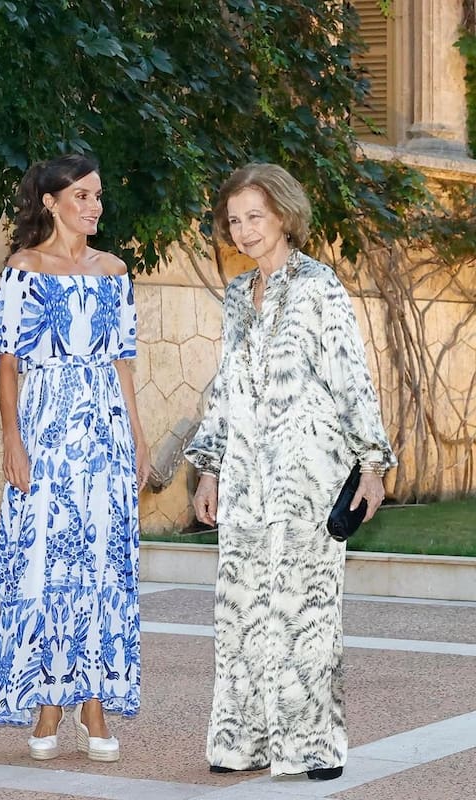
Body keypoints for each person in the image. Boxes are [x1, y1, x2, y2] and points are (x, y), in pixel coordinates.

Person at [185, 163, 396, 781]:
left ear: (282, 215)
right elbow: (224, 389)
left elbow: (351, 378)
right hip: (246, 477)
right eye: (235, 220)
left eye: (255, 216)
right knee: (242, 607)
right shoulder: (235, 293)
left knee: (307, 614)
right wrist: (209, 471)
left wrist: (373, 464)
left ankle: (315, 747)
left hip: (308, 476)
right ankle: (240, 741)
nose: (245, 230)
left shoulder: (319, 286)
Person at [0, 154, 150, 763]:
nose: (94, 206)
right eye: (82, 196)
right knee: (43, 561)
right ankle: (46, 705)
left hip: (105, 431)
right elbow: (8, 365)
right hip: (45, 429)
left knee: (100, 565)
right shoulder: (23, 269)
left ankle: (94, 708)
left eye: (98, 196)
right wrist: (11, 441)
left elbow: (122, 361)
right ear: (51, 202)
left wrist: (139, 439)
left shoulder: (115, 270)